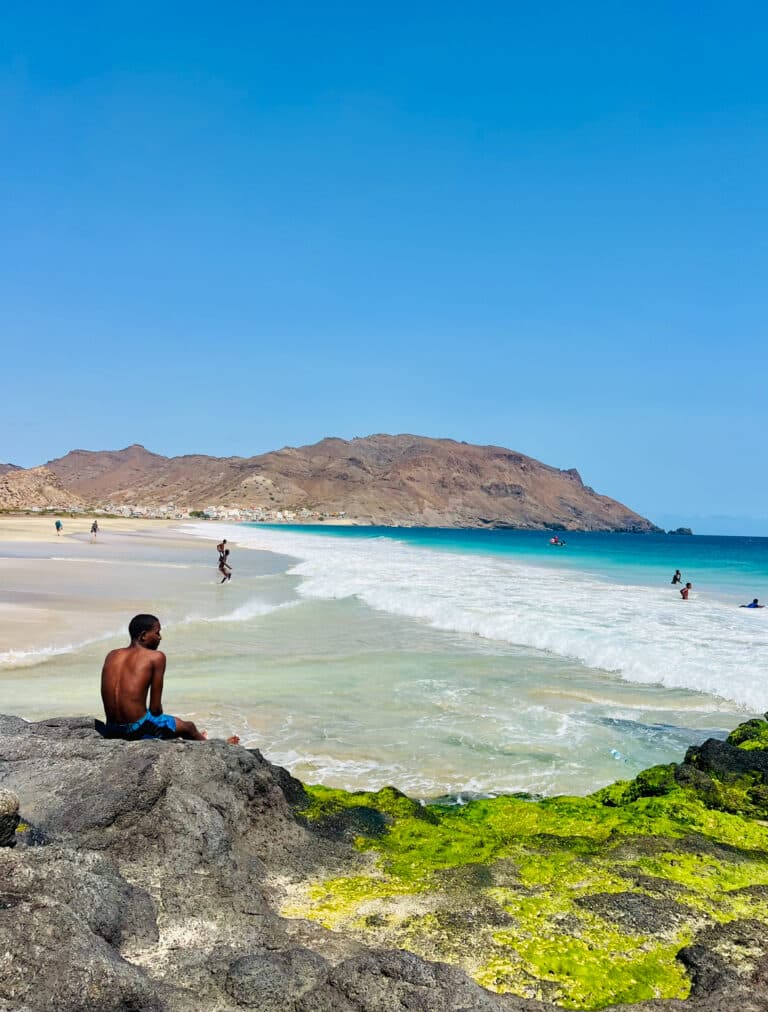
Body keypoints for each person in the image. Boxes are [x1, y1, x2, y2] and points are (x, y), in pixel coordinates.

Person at [100, 614, 240, 743]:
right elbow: (155, 710)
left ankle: (198, 739)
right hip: (136, 730)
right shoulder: (156, 657)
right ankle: (212, 746)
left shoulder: (112, 655)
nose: (160, 637)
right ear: (143, 636)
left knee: (166, 723)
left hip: (111, 729)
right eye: (157, 633)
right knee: (189, 727)